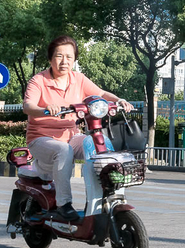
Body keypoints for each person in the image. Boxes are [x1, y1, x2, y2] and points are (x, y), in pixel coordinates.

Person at [23, 35, 132, 221]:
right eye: (59, 56)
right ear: (50, 59)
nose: (64, 61)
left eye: (69, 57)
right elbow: (28, 106)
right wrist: (45, 109)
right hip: (41, 138)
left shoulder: (78, 79)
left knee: (98, 142)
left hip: (72, 136)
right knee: (64, 150)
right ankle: (63, 204)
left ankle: (107, 195)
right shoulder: (39, 80)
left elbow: (101, 93)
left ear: (74, 60)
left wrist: (119, 100)